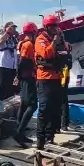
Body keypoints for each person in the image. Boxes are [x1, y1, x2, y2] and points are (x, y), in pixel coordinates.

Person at [34, 14, 68, 150]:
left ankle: (50, 137)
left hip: (57, 78)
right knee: (44, 109)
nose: (55, 28)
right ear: (46, 27)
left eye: (56, 26)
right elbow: (46, 54)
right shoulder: (40, 40)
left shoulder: (59, 40)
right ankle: (40, 141)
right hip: (45, 78)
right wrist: (54, 41)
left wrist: (61, 41)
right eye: (52, 26)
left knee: (55, 109)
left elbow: (66, 52)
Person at [14, 22, 39, 147]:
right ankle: (19, 132)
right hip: (28, 78)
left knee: (24, 105)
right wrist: (20, 76)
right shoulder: (28, 44)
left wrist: (18, 76)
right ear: (33, 33)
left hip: (25, 77)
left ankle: (20, 131)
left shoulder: (23, 43)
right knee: (32, 105)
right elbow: (23, 62)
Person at [0, 21, 19, 100]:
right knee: (2, 89)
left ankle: (9, 109)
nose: (13, 29)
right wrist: (7, 32)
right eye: (11, 27)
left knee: (11, 91)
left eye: (14, 28)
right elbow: (0, 43)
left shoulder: (14, 39)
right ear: (6, 28)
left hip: (12, 68)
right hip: (3, 66)